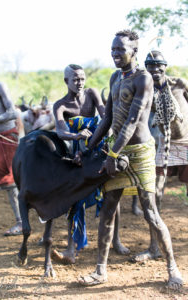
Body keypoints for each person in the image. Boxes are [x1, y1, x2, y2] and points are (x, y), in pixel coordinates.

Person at [78, 30, 182, 289]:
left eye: (119, 50)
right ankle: (100, 271)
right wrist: (89, 147)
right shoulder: (116, 77)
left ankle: (173, 269)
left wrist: (113, 154)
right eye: (112, 49)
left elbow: (134, 121)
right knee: (108, 210)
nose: (114, 54)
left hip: (140, 153)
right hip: (118, 151)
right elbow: (109, 119)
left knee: (150, 212)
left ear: (133, 52)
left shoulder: (143, 79)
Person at [51, 64, 129, 264]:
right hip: (77, 155)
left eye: (82, 78)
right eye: (75, 79)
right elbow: (60, 131)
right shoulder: (60, 105)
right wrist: (76, 135)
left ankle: (116, 241)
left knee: (111, 192)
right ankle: (71, 249)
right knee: (74, 198)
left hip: (99, 148)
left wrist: (102, 139)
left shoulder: (92, 93)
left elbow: (105, 117)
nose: (80, 83)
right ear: (66, 81)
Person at [145, 50, 188, 211]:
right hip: (165, 142)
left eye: (158, 66)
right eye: (150, 66)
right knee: (157, 185)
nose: (155, 70)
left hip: (187, 140)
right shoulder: (146, 91)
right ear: (146, 69)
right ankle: (157, 219)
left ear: (165, 66)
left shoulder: (179, 84)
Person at [0, 57, 22, 235]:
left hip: (6, 138)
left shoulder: (0, 86)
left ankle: (20, 222)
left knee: (10, 182)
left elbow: (12, 112)